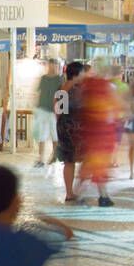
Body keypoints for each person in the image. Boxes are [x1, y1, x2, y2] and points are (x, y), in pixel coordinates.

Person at [75, 62, 119, 206]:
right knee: (99, 163)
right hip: (104, 131)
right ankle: (100, 195)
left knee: (91, 162)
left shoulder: (86, 87)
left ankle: (82, 192)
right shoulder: (110, 87)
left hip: (90, 130)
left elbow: (81, 105)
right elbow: (116, 107)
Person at [56, 61, 86, 203]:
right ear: (76, 74)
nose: (84, 75)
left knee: (68, 161)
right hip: (75, 129)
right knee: (86, 158)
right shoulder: (76, 90)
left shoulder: (62, 89)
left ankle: (69, 193)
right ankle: (77, 189)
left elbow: (57, 111)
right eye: (82, 72)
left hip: (63, 128)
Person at [32, 60, 62, 168]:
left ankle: (54, 155)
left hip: (54, 111)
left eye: (54, 65)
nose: (52, 67)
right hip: (42, 109)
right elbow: (39, 92)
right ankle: (41, 158)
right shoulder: (43, 78)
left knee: (55, 135)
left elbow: (62, 95)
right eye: (50, 65)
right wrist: (36, 106)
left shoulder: (59, 79)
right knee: (41, 135)